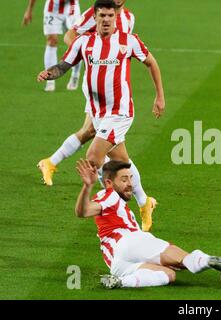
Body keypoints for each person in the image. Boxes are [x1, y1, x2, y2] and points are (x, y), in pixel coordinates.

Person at [37, 0, 165, 232]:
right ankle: (144, 202)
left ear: (116, 17)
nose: (106, 20)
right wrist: (50, 74)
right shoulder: (83, 43)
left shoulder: (128, 41)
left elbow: (151, 62)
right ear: (93, 18)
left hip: (120, 112)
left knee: (94, 156)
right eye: (102, 16)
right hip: (99, 113)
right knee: (122, 161)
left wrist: (159, 97)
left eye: (110, 16)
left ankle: (109, 209)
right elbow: (64, 65)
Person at [75, 159, 221, 289]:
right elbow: (83, 211)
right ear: (108, 183)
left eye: (130, 178)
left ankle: (119, 282)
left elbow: (85, 211)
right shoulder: (110, 195)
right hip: (129, 241)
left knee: (168, 275)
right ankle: (205, 260)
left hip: (117, 264)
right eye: (124, 179)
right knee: (184, 260)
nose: (130, 184)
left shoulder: (112, 201)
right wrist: (87, 186)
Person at [37, 0, 136, 187]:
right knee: (101, 136)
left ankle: (51, 162)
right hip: (97, 82)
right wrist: (87, 52)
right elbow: (70, 35)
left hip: (115, 85)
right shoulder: (98, 12)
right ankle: (112, 186)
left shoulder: (129, 18)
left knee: (93, 132)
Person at [23, 0, 82, 92]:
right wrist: (29, 10)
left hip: (71, 8)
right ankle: (50, 79)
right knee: (51, 40)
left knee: (75, 42)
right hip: (53, 8)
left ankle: (75, 75)